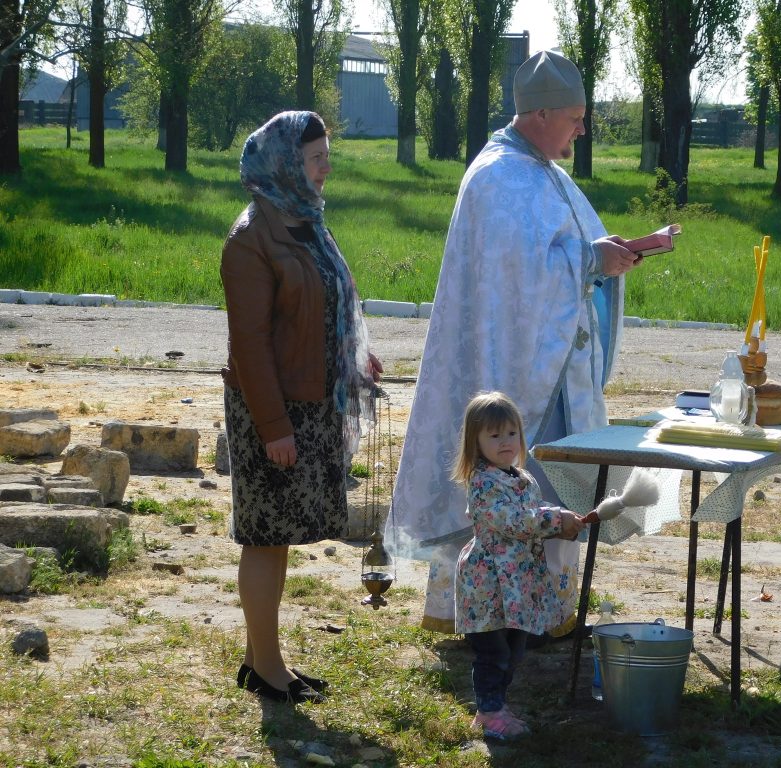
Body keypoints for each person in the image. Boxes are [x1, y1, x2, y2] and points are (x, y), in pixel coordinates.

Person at [386, 50, 644, 638]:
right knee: (513, 490)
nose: (581, 130)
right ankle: (490, 614)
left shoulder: (546, 172)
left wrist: (607, 256)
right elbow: (518, 277)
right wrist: (590, 261)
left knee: (549, 488)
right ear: (540, 112)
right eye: (574, 118)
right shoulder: (499, 176)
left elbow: (560, 254)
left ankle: (544, 612)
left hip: (553, 368)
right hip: (514, 375)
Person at [221, 110, 382, 704]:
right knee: (264, 536)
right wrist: (273, 428)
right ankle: (267, 669)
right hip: (273, 409)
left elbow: (327, 301)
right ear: (287, 163)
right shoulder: (249, 240)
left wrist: (353, 357)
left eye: (326, 157)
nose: (325, 169)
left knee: (279, 534)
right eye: (316, 159)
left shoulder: (305, 220)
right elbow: (251, 345)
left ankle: (259, 658)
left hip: (310, 403)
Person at [452, 392, 587, 739]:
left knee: (514, 649)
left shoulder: (521, 477)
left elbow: (533, 508)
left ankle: (498, 703)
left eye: (511, 433)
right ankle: (488, 711)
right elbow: (513, 520)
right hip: (487, 583)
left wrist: (563, 519)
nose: (505, 442)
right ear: (476, 442)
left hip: (517, 583)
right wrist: (554, 520)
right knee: (492, 652)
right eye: (494, 436)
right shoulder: (482, 483)